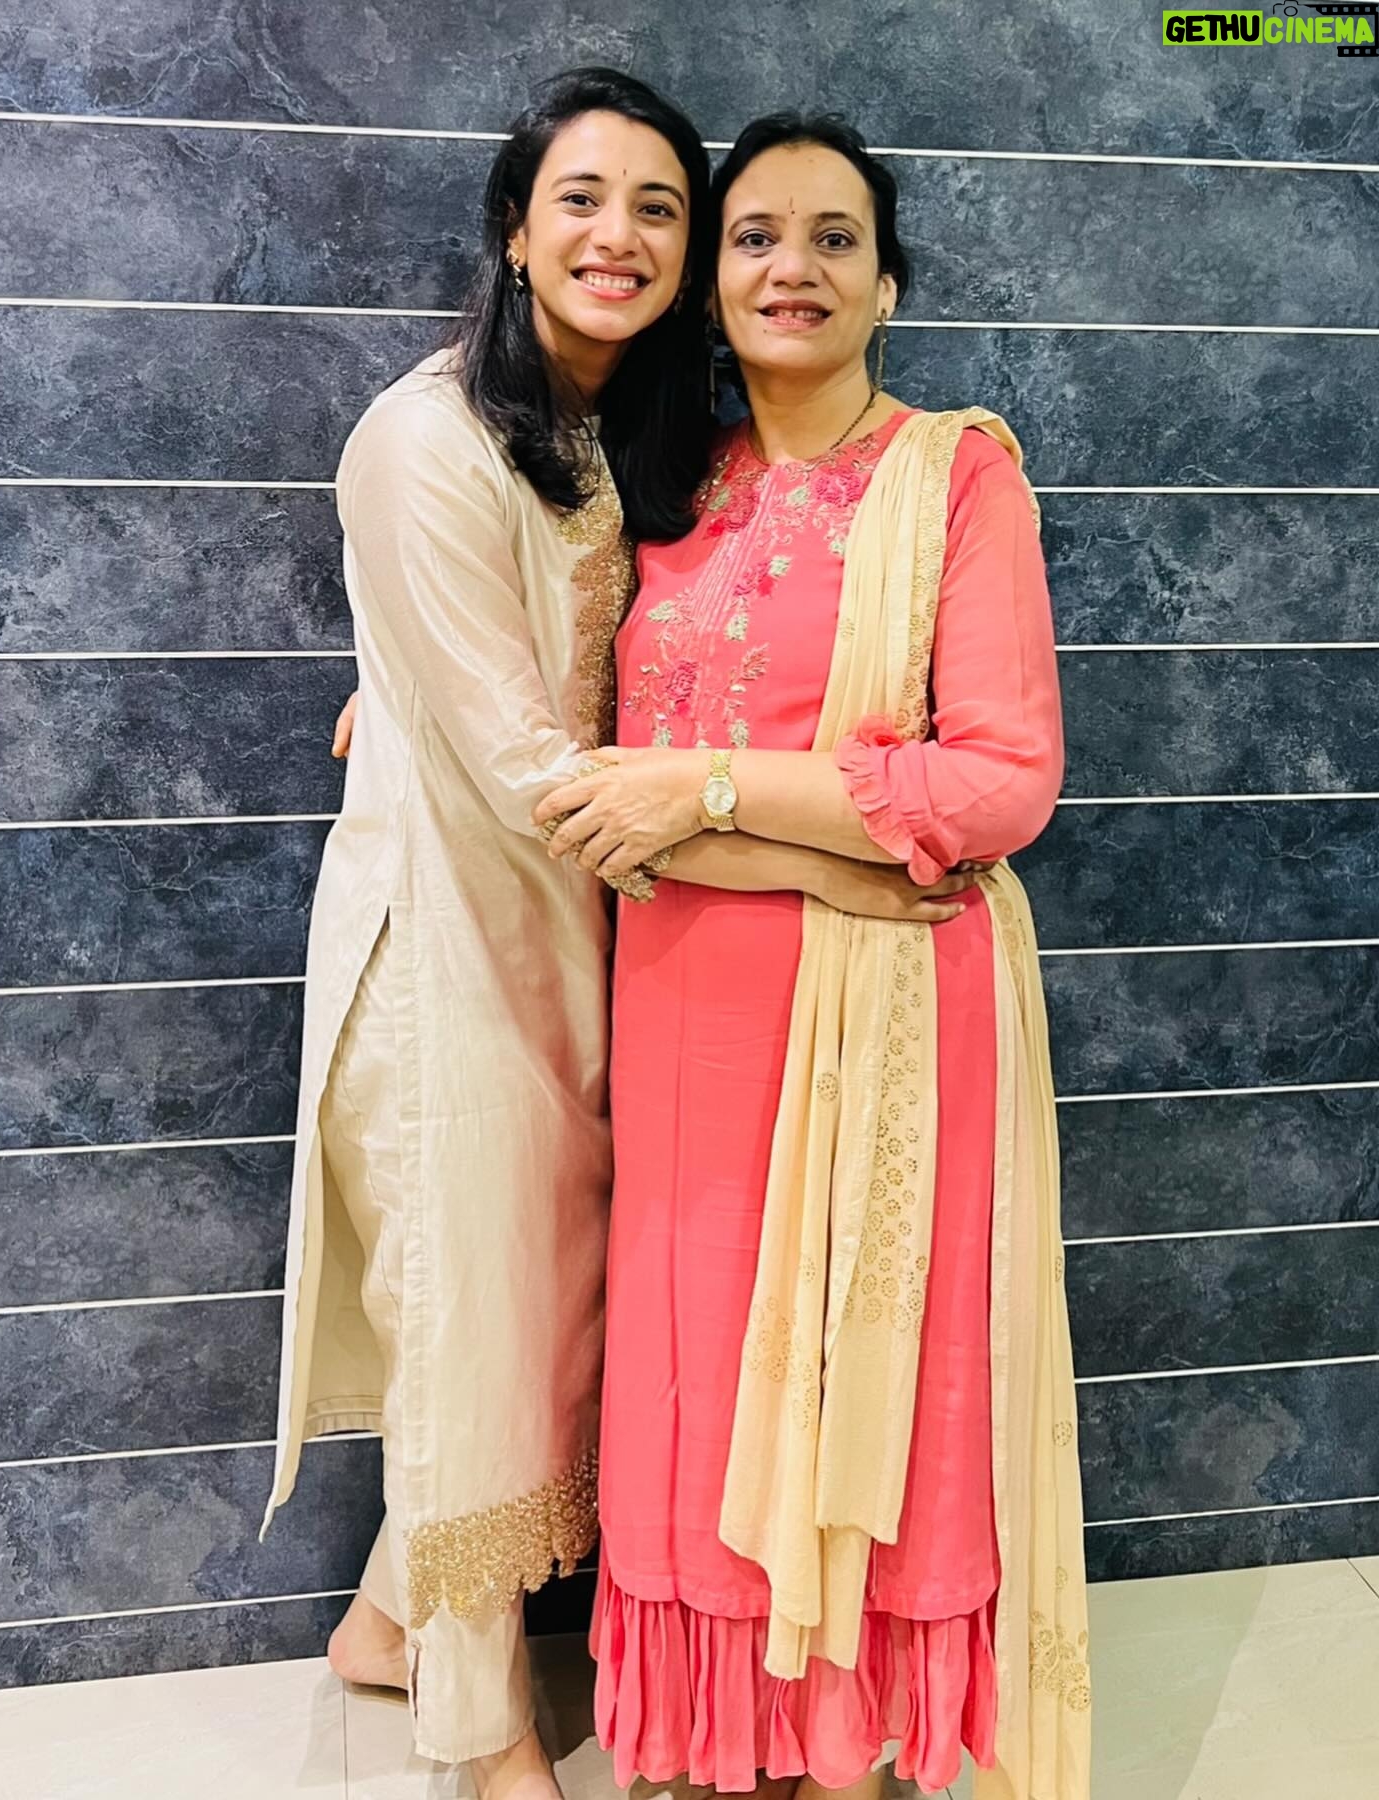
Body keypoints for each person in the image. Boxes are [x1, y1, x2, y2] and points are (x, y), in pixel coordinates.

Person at [287, 73, 985, 1800]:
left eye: (660, 207)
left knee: (545, 1324)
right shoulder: (425, 438)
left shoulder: (642, 442)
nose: (621, 235)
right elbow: (544, 770)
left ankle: (385, 1625)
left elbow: (626, 680)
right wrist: (829, 864)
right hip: (447, 955)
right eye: (582, 200)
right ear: (514, 233)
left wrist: (399, 689)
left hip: (592, 951)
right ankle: (486, 1742)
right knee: (472, 1320)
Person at [536, 113, 1090, 1800]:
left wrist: (707, 789)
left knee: (868, 1377)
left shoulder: (955, 476)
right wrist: (402, 701)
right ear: (711, 282)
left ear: (887, 283)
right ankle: (724, 1733)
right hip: (683, 1002)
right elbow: (573, 748)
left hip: (890, 1014)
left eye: (835, 238)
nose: (795, 267)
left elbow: (999, 784)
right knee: (694, 1370)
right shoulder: (657, 484)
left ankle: (841, 1739)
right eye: (757, 236)